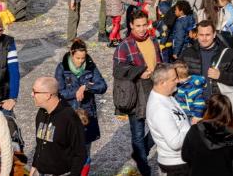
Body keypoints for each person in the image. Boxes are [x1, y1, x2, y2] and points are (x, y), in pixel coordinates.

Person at [113, 12, 161, 176]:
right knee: (138, 133)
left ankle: (141, 154)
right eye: (138, 25)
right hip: (136, 92)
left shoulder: (153, 41)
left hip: (155, 89)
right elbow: (118, 70)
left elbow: (160, 62)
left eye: (144, 25)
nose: (141, 29)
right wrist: (138, 72)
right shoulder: (124, 45)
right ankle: (143, 166)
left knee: (159, 127)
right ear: (132, 25)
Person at [54, 39, 107, 159]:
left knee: (85, 149)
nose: (80, 61)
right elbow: (59, 92)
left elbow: (102, 86)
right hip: (69, 113)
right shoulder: (62, 68)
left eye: (83, 58)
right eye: (77, 58)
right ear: (71, 53)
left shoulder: (90, 66)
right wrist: (76, 91)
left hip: (87, 113)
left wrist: (86, 87)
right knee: (69, 150)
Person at [30, 76, 86, 176]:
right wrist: (33, 169)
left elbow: (80, 154)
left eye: (35, 92)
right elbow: (40, 145)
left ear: (47, 95)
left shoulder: (69, 118)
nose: (32, 94)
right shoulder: (41, 113)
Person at [178, 20, 233, 99]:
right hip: (194, 103)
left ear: (214, 35)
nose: (204, 38)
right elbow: (176, 72)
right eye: (201, 35)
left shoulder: (228, 54)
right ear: (197, 35)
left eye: (207, 35)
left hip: (217, 103)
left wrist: (221, 76)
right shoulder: (188, 53)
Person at [145, 63, 191, 176]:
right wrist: (194, 129)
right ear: (162, 83)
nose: (178, 81)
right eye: (174, 79)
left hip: (182, 161)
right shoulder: (159, 109)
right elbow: (175, 143)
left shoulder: (167, 96)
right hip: (176, 167)